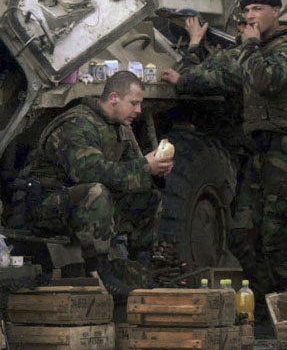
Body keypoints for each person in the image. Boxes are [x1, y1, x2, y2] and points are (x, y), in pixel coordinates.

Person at [161, 0, 287, 297]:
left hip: (286, 153)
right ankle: (267, 301)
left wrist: (250, 47)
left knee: (282, 236)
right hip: (256, 153)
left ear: (276, 12)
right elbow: (207, 77)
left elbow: (267, 79)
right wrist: (191, 55)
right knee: (241, 232)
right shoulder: (248, 50)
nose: (251, 16)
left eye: (258, 10)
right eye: (248, 10)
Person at [15, 71, 170, 295]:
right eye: (134, 103)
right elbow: (90, 173)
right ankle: (98, 270)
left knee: (149, 196)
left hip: (85, 204)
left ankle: (140, 268)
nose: (138, 110)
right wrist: (145, 167)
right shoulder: (78, 124)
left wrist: (155, 171)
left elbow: (131, 171)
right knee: (98, 191)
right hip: (49, 206)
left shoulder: (121, 128)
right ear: (114, 97)